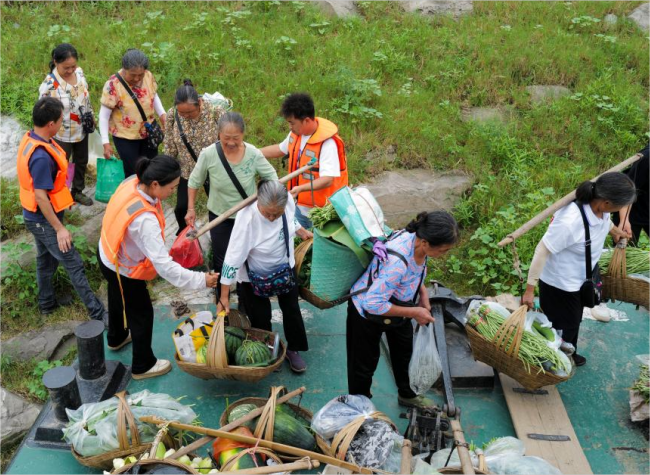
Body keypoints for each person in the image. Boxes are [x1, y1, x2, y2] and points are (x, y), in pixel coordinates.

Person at [98, 155, 219, 380]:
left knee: (117, 296)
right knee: (141, 312)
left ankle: (116, 338)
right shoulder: (145, 220)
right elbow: (164, 267)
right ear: (155, 184)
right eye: (172, 188)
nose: (174, 191)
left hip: (107, 253)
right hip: (122, 266)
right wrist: (201, 280)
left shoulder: (133, 182)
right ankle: (143, 365)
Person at [346, 211, 459, 409]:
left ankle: (407, 394)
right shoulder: (396, 262)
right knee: (363, 365)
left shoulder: (417, 241)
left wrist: (422, 293)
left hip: (398, 302)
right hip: (366, 313)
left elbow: (415, 271)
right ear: (425, 242)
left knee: (404, 353)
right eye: (443, 250)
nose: (444, 255)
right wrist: (415, 312)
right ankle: (359, 406)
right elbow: (372, 304)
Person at [522, 172, 636, 367]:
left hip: (580, 278)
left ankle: (569, 352)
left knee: (573, 322)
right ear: (607, 202)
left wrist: (616, 231)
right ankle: (551, 361)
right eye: (620, 206)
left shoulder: (600, 207)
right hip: (561, 284)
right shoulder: (570, 221)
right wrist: (530, 290)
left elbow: (605, 221)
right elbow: (541, 251)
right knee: (562, 325)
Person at [17, 97, 106, 320]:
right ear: (51, 125)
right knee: (72, 262)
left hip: (41, 215)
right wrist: (59, 229)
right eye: (60, 120)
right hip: (42, 218)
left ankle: (47, 304)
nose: (62, 124)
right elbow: (40, 196)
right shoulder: (40, 157)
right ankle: (97, 313)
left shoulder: (33, 138)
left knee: (46, 259)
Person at [218, 180, 313, 373]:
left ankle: (293, 349)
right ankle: (268, 350)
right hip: (254, 276)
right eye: (267, 212)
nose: (271, 217)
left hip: (284, 269)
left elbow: (291, 221)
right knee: (260, 317)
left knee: (292, 310)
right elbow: (233, 258)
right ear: (258, 203)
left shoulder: (286, 204)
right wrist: (224, 296)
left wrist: (302, 232)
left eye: (276, 214)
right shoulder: (247, 219)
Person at [185, 112, 278, 302]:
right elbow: (194, 182)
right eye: (226, 138)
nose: (231, 142)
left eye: (236, 138)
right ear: (218, 134)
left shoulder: (253, 154)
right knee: (223, 261)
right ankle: (222, 303)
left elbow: (273, 178)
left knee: (246, 261)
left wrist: (269, 201)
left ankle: (247, 305)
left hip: (248, 217)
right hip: (220, 218)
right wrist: (191, 208)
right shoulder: (209, 154)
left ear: (243, 135)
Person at [260, 93, 348, 228]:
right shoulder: (296, 134)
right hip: (300, 208)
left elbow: (328, 179)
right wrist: (254, 152)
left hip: (322, 212)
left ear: (306, 120)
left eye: (292, 123)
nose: (290, 127)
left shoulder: (328, 143)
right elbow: (280, 149)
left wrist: (300, 189)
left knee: (316, 247)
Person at [164, 79, 224, 233]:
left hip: (213, 168)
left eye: (190, 112)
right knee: (181, 208)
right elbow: (170, 143)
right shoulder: (172, 114)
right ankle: (184, 236)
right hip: (187, 170)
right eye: (182, 113)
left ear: (199, 102)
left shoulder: (215, 112)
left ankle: (218, 233)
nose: (185, 116)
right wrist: (167, 166)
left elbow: (229, 139)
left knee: (217, 207)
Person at [39, 43, 94, 206]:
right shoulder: (49, 85)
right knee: (60, 165)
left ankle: (77, 191)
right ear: (55, 62)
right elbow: (42, 112)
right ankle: (58, 195)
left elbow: (86, 97)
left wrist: (91, 115)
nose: (70, 70)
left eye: (73, 66)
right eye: (66, 68)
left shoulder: (79, 73)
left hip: (81, 129)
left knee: (81, 161)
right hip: (61, 133)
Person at [99, 49, 167, 178]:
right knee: (133, 171)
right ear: (124, 69)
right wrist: (105, 143)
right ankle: (133, 196)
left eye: (140, 75)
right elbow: (103, 116)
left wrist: (162, 114)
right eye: (132, 75)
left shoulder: (148, 76)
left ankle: (149, 196)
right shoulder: (113, 85)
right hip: (125, 136)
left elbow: (153, 95)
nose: (137, 78)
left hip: (148, 131)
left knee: (150, 168)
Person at [616, 143, 650, 245]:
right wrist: (624, 220)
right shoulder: (647, 158)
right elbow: (629, 189)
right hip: (630, 209)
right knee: (626, 253)